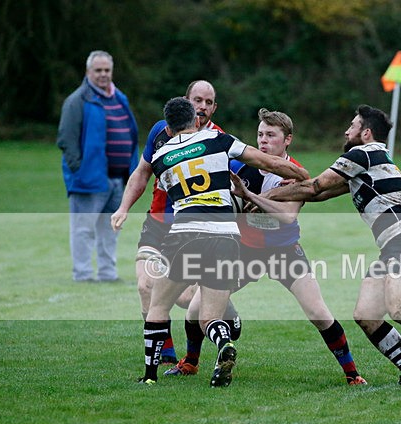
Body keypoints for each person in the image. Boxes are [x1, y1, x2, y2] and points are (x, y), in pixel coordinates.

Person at [268, 104, 401, 389]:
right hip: (397, 244)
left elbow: (315, 187)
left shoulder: (362, 153)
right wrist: (287, 190)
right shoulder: (372, 160)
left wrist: (268, 193)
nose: (346, 130)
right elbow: (321, 193)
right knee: (366, 315)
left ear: (366, 133)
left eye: (352, 125)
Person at [112, 97, 309, 386]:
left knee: (158, 306)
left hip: (183, 237)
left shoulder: (160, 158)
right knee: (209, 317)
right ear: (195, 120)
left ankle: (150, 376)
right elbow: (265, 161)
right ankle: (224, 341)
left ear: (168, 127)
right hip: (225, 237)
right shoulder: (219, 139)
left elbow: (165, 188)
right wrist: (302, 175)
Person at [166, 108, 367, 386]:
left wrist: (249, 196)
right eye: (260, 134)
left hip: (283, 251)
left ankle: (353, 374)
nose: (263, 141)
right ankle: (190, 362)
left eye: (271, 135)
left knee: (318, 312)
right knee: (196, 308)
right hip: (243, 251)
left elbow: (287, 217)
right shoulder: (238, 168)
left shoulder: (295, 174)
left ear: (287, 140)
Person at [114, 80, 239, 365]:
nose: (202, 107)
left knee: (184, 298)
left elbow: (234, 181)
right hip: (159, 222)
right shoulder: (161, 130)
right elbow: (142, 172)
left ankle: (221, 308)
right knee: (146, 285)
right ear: (186, 100)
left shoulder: (218, 139)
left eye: (209, 102)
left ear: (215, 107)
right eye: (197, 100)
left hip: (193, 227)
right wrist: (123, 207)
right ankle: (166, 357)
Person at [57, 50, 138, 282]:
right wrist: (79, 169)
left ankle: (107, 273)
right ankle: (82, 275)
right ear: (88, 72)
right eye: (98, 70)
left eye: (107, 70)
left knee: (111, 229)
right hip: (90, 178)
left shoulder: (119, 98)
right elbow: (66, 139)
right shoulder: (77, 100)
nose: (103, 75)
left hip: (118, 179)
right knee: (84, 230)